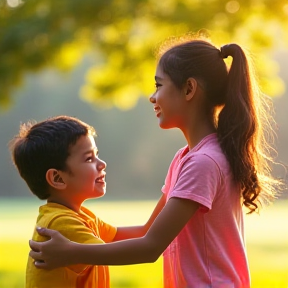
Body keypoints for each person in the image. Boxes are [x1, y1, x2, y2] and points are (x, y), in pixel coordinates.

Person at [28, 36, 283, 288]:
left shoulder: (204, 162)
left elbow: (150, 248)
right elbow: (147, 230)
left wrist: (72, 252)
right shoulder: (186, 159)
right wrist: (83, 235)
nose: (152, 97)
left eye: (159, 86)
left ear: (189, 89)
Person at [10, 115, 158, 288]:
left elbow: (145, 232)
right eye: (89, 159)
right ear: (57, 177)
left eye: (97, 155)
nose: (102, 164)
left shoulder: (80, 216)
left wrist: (172, 188)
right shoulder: (61, 223)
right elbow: (120, 253)